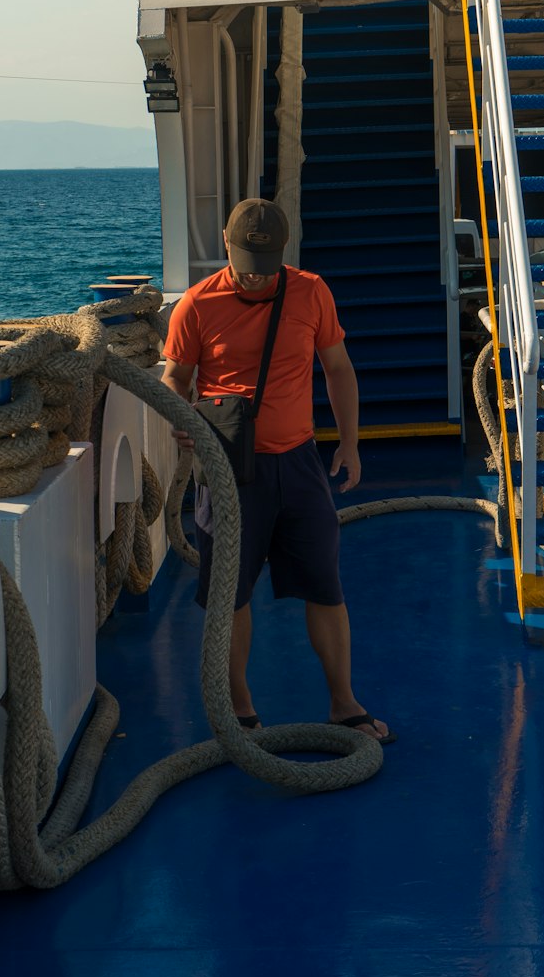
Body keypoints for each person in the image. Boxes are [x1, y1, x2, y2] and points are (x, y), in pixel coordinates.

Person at [161, 198, 395, 744]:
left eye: (263, 267)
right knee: (231, 595)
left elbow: (337, 368)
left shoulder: (311, 291)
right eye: (245, 264)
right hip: (227, 468)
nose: (253, 277)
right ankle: (240, 711)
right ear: (225, 242)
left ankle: (344, 703)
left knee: (325, 586)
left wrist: (351, 444)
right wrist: (184, 418)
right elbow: (175, 377)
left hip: (299, 461)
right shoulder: (196, 305)